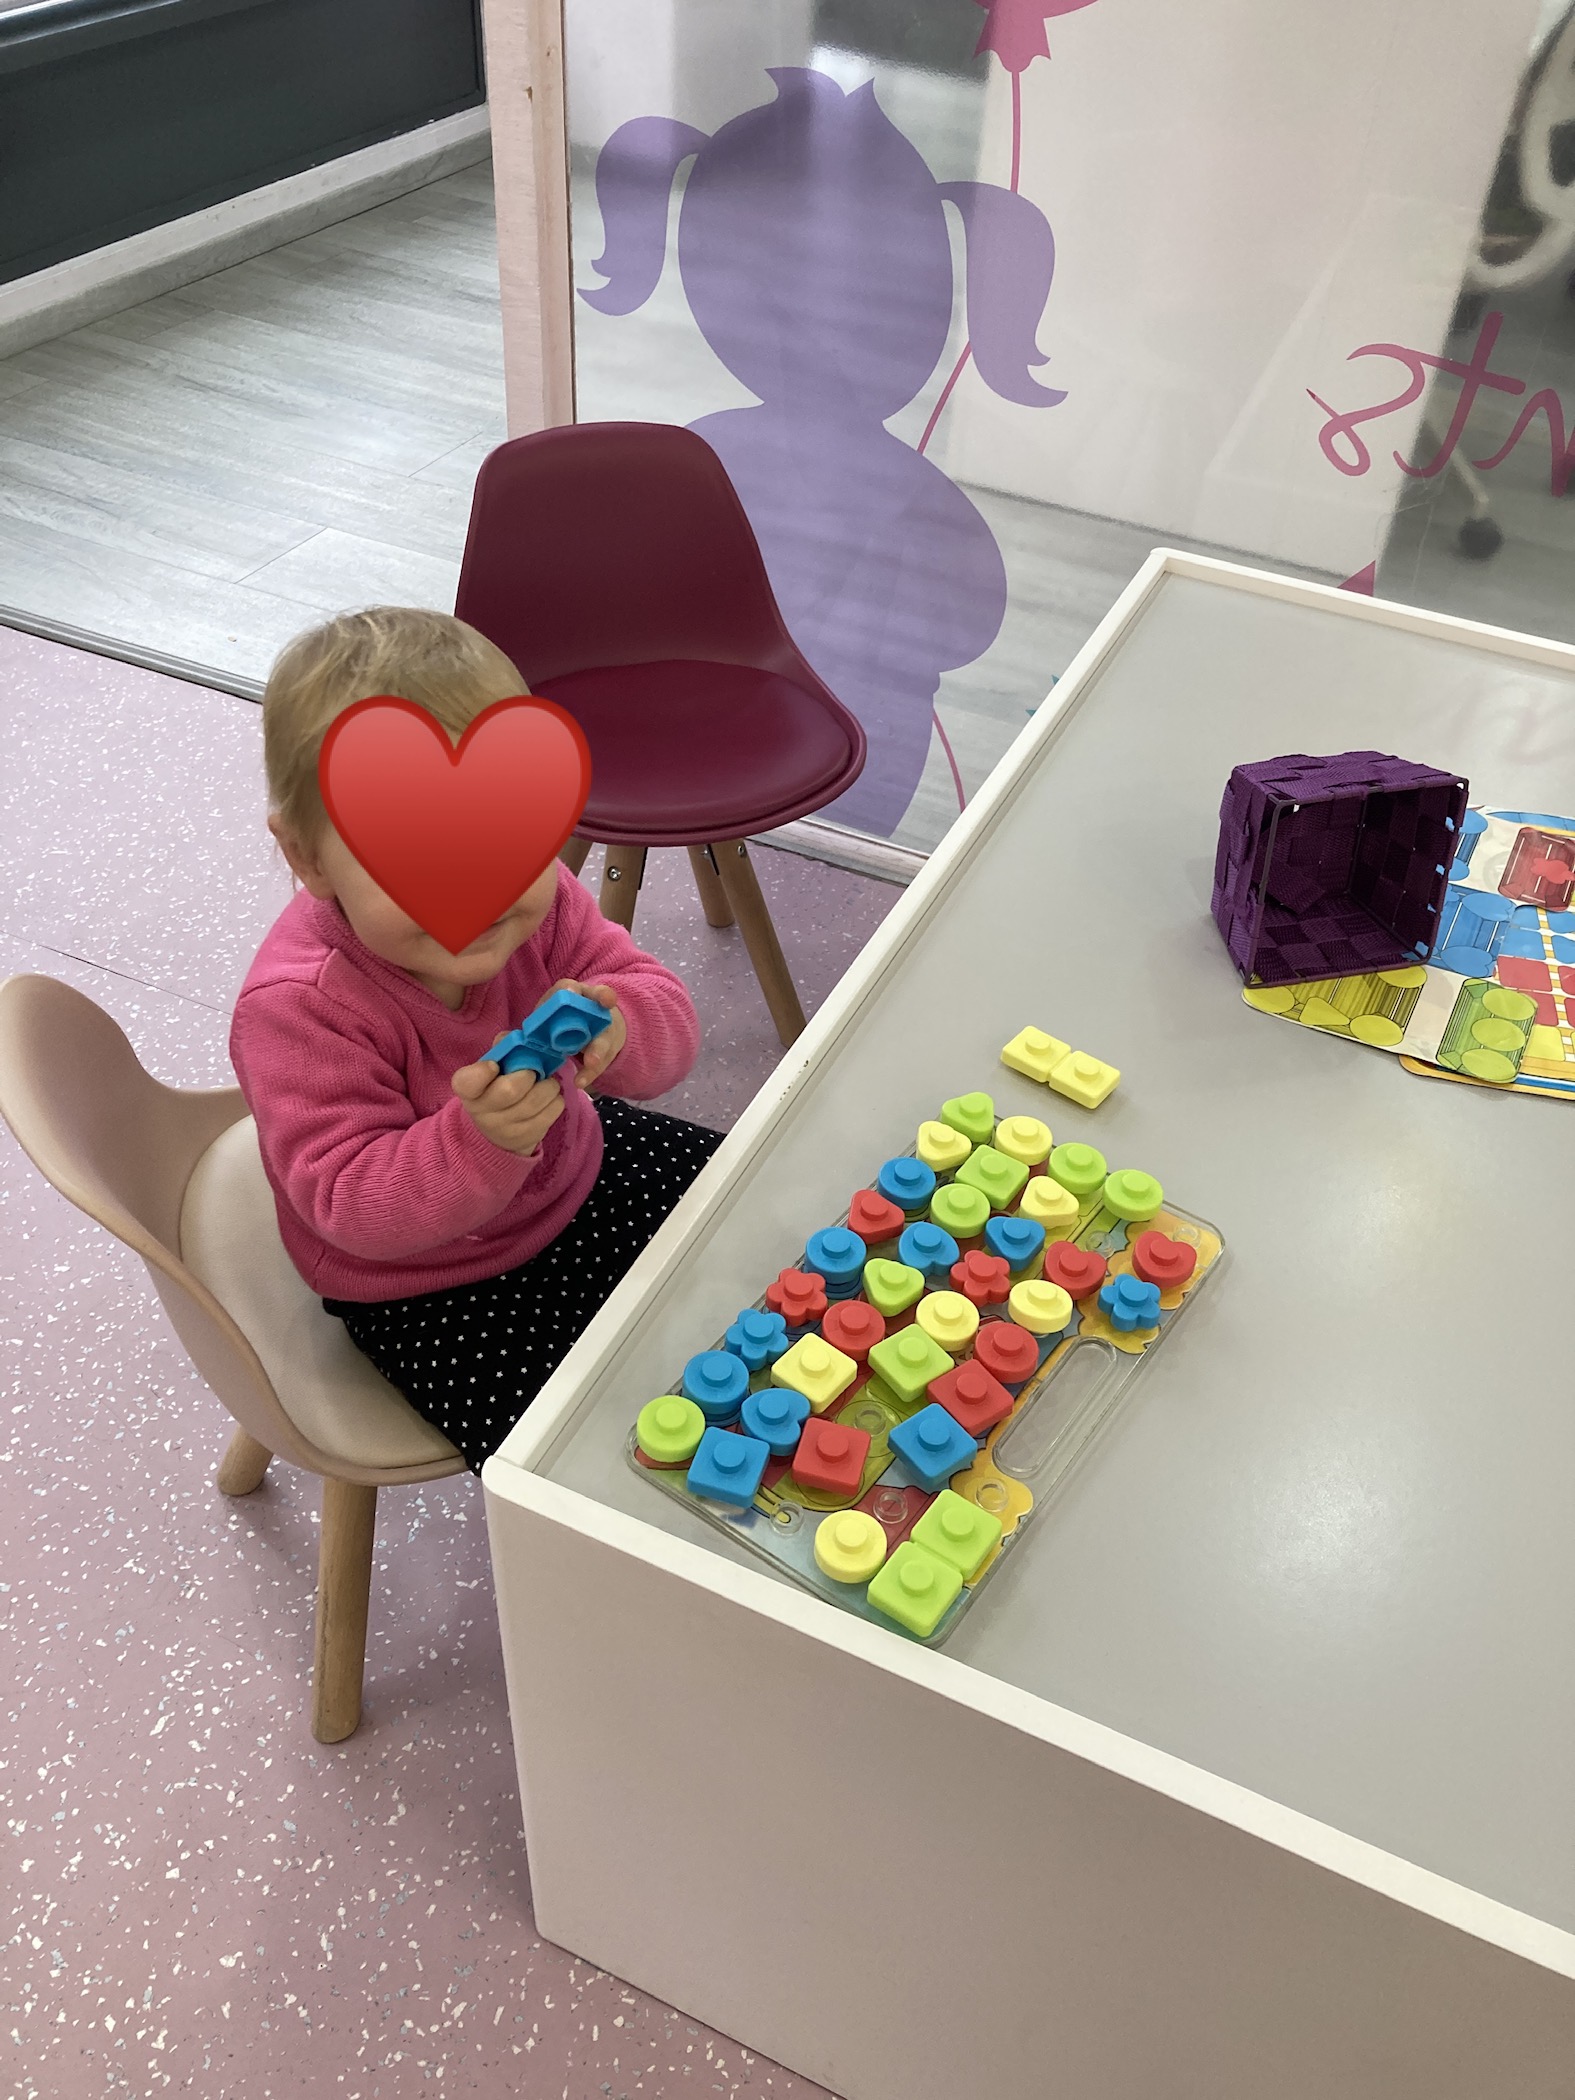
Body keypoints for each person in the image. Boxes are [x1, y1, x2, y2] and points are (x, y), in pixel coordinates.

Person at [230, 605, 720, 1472]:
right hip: (427, 1282)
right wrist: (480, 1140)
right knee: (583, 1464)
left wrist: (621, 1024)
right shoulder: (301, 1008)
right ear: (307, 857)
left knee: (765, 1221)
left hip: (572, 1168)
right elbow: (348, 1204)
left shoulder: (545, 901)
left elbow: (666, 1018)